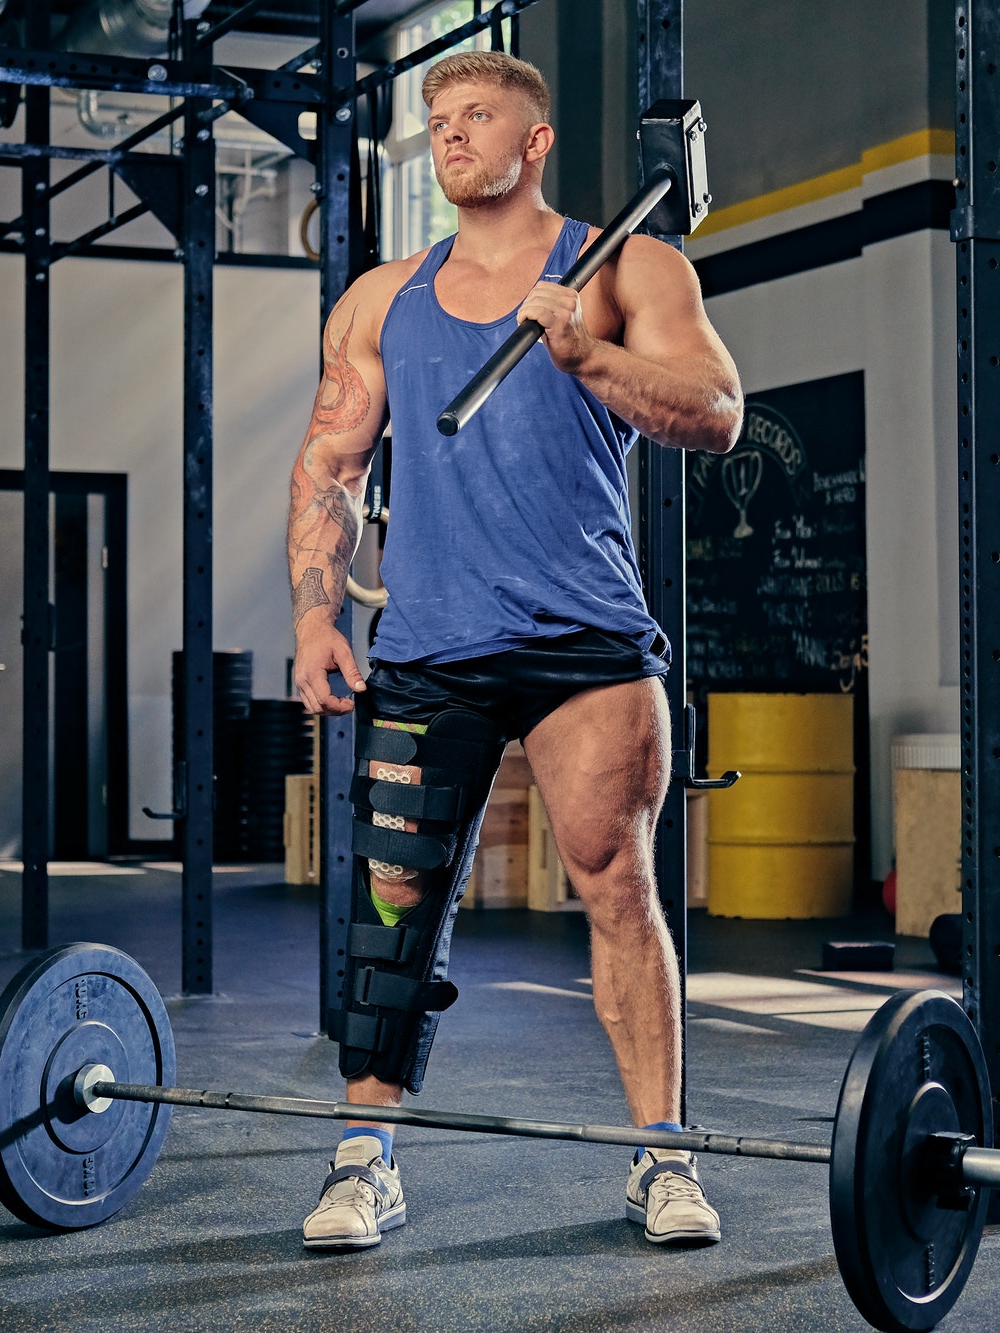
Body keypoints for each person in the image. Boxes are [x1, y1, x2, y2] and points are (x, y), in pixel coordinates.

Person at [285, 49, 742, 1252]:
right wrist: (313, 615)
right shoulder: (381, 298)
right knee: (392, 908)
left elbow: (716, 409)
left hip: (585, 641)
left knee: (618, 887)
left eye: (475, 116)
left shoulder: (627, 265)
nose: (449, 135)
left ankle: (663, 1157)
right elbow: (330, 463)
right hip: (430, 645)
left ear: (532, 142)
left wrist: (588, 357)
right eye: (436, 119)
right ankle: (363, 1159)